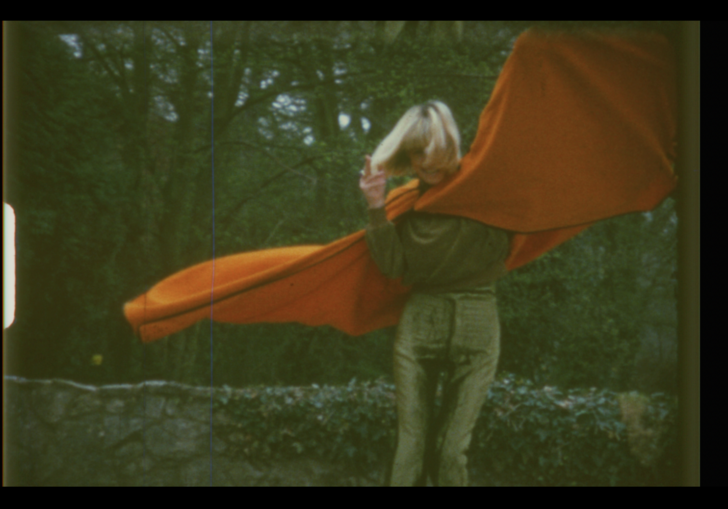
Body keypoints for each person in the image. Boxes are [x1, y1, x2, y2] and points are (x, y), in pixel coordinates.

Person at [359, 101, 511, 486]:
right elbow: (393, 268)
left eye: (432, 147)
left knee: (449, 451)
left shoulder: (488, 186)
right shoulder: (407, 204)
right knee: (410, 446)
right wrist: (377, 207)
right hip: (419, 326)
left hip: (477, 324)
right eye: (415, 151)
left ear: (450, 143)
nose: (425, 160)